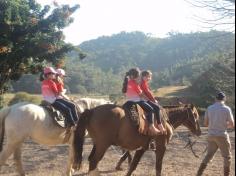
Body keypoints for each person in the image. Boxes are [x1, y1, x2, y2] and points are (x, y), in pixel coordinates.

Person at [196, 92, 235, 176]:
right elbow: (232, 124)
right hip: (222, 135)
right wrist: (224, 124)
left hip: (211, 135)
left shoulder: (209, 108)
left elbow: (205, 124)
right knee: (227, 157)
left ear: (215, 99)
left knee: (209, 155)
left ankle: (199, 173)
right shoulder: (226, 108)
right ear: (224, 99)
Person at [122, 68, 161, 136]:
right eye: (138, 75)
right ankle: (151, 126)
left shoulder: (126, 82)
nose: (139, 77)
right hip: (137, 101)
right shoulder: (134, 84)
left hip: (128, 101)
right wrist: (149, 100)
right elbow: (141, 95)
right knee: (150, 110)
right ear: (135, 76)